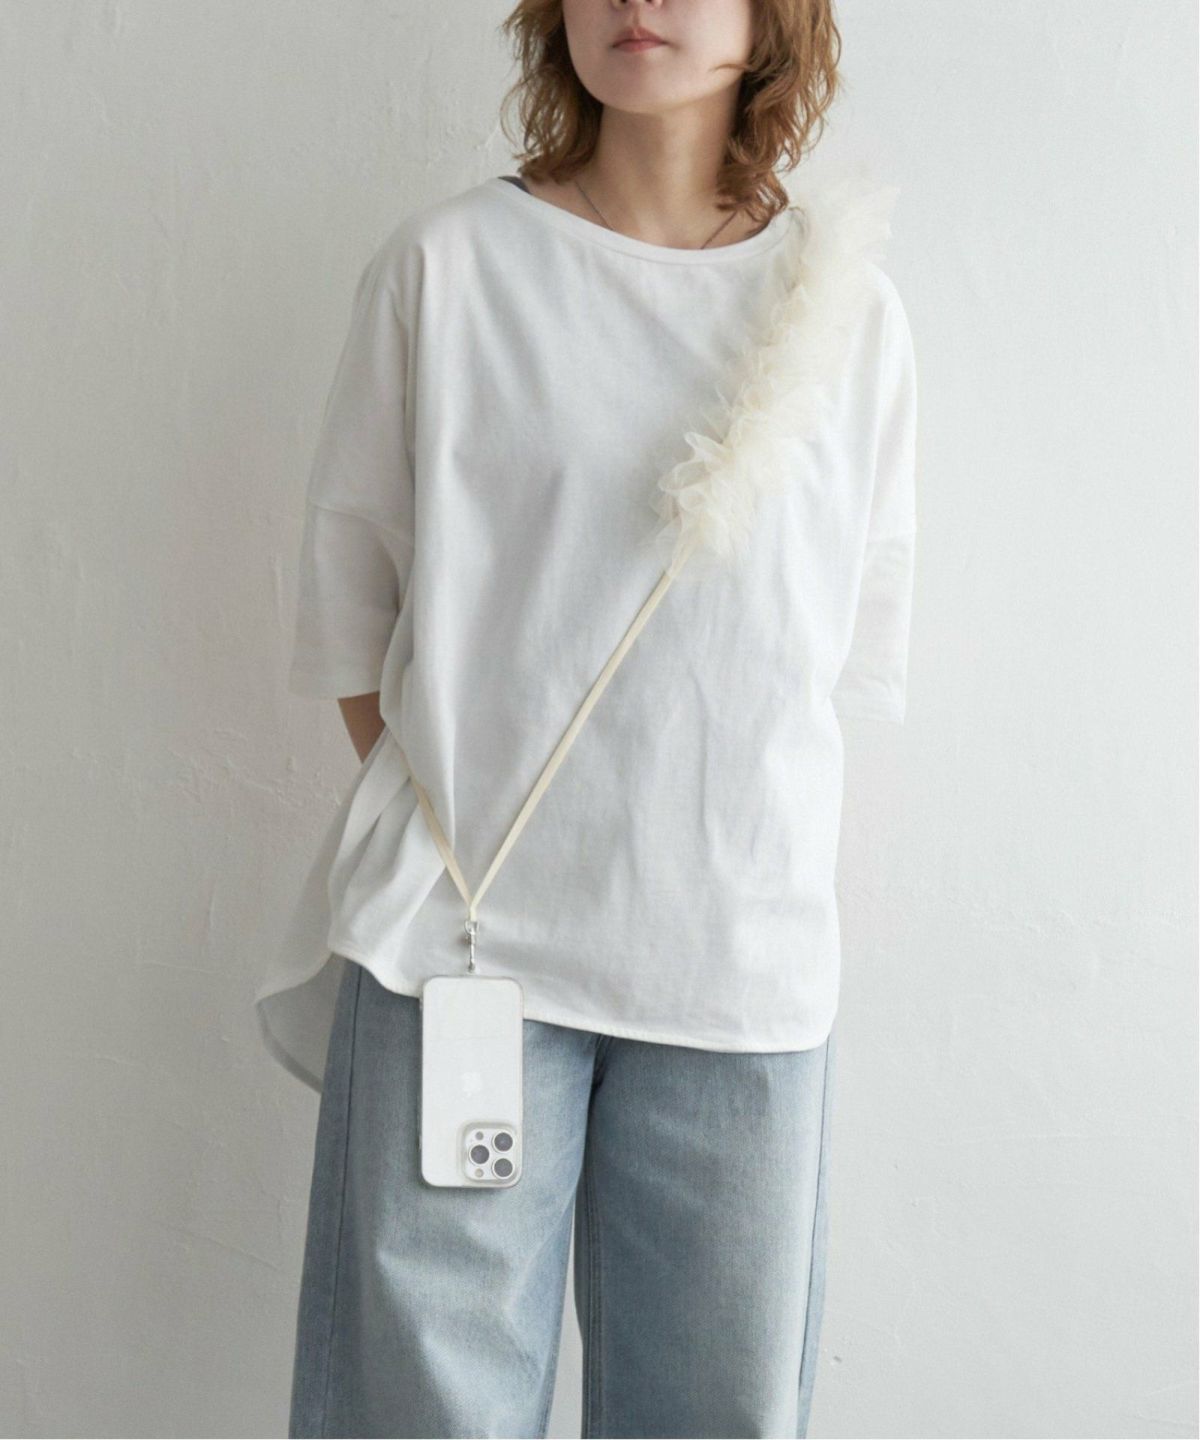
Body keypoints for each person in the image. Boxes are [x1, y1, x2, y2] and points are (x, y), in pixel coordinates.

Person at [259, 0, 917, 1434]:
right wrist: (478, 855)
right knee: (419, 1412)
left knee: (717, 1411)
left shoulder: (847, 313)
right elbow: (355, 622)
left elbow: (829, 662)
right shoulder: (447, 271)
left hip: (737, 974)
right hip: (463, 960)